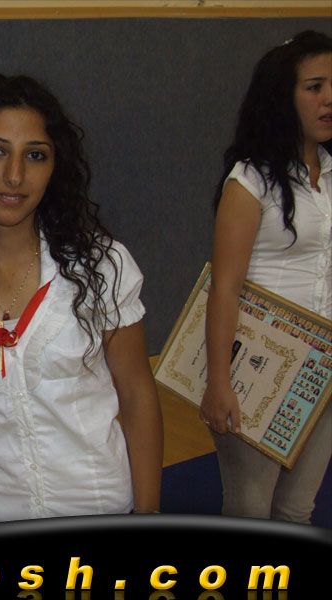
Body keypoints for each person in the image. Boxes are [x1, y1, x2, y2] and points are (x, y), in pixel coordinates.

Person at [0, 72, 163, 524]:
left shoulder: (101, 266)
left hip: (99, 508)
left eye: (35, 155)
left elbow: (137, 393)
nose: (15, 175)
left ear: (54, 167)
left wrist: (148, 515)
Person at [199, 30, 332, 523]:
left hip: (323, 369)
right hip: (258, 366)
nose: (329, 99)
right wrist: (219, 381)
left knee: (296, 509)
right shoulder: (250, 180)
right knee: (251, 508)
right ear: (283, 96)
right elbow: (224, 288)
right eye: (314, 87)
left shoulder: (331, 172)